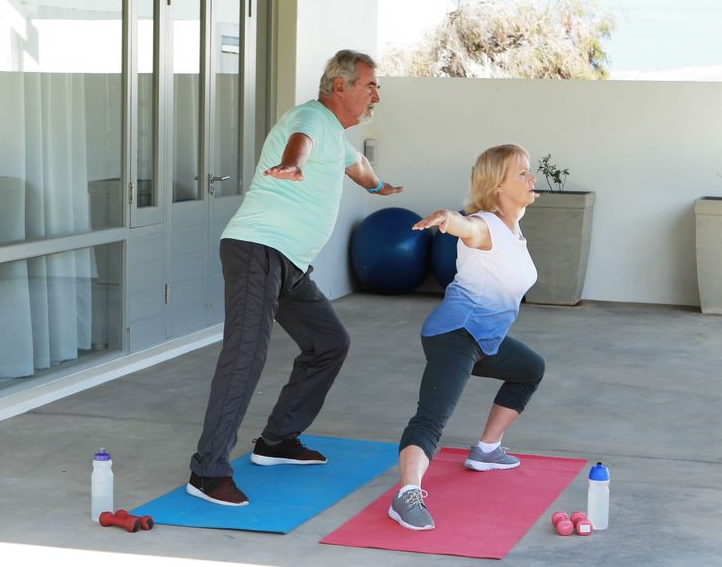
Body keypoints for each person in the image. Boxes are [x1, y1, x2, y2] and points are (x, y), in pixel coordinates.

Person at [187, 50, 404, 506]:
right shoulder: (310, 118)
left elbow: (356, 167)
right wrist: (292, 163)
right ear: (339, 86)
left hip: (287, 264)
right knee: (245, 354)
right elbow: (299, 142)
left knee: (329, 342)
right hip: (257, 250)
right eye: (370, 85)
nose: (376, 96)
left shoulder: (337, 136)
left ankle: (277, 441)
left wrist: (380, 186)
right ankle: (207, 472)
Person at [388, 144, 546, 530]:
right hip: (454, 335)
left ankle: (487, 450)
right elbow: (467, 228)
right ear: (497, 187)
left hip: (485, 340)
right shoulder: (486, 224)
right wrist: (449, 219)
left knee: (529, 368)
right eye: (522, 173)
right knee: (432, 418)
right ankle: (406, 496)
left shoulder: (514, 231)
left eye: (530, 171)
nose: (532, 178)